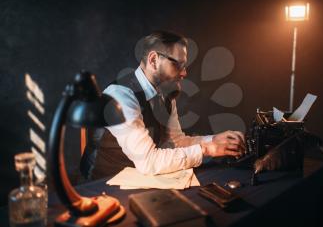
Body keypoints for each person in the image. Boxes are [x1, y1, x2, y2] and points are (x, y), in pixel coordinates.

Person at [86, 30, 246, 179]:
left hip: (141, 178)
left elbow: (176, 142)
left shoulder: (166, 92)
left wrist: (214, 140)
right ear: (153, 60)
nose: (184, 73)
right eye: (178, 65)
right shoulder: (120, 96)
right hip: (103, 185)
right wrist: (207, 149)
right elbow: (147, 161)